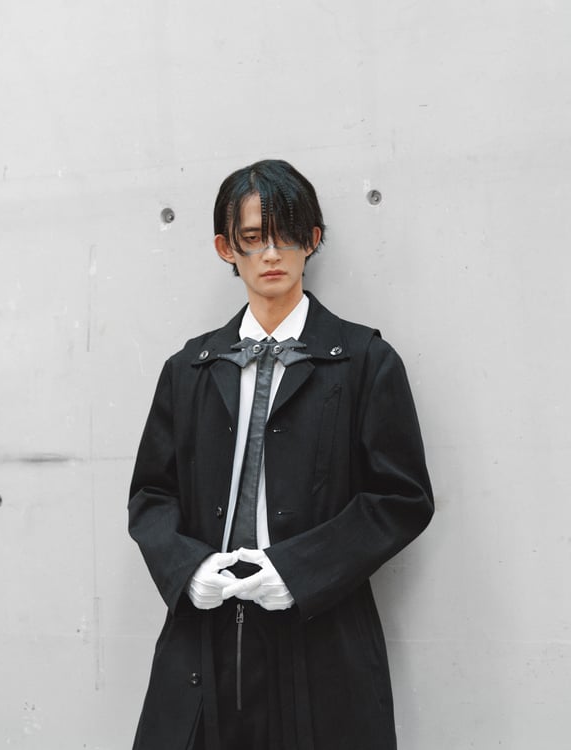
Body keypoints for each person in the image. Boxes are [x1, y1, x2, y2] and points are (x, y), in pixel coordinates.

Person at [128, 159, 433, 750]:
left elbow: (401, 498)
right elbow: (151, 494)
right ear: (226, 248)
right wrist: (188, 569)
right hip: (204, 636)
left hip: (322, 631)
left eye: (287, 235)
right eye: (252, 238)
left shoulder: (364, 360)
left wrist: (299, 570)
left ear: (312, 240)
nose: (271, 253)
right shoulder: (189, 368)